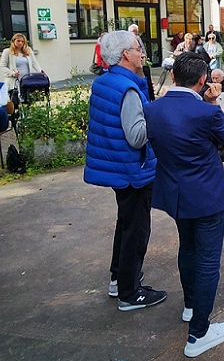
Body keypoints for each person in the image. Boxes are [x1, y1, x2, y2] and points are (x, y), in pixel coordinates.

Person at [145, 52, 224, 358]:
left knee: (187, 248)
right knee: (208, 260)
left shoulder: (153, 108)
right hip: (207, 195)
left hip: (175, 193)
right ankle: (199, 333)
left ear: (173, 77)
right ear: (202, 81)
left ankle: (190, 306)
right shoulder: (206, 112)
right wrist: (213, 104)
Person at [82, 30, 166, 311]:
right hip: (134, 170)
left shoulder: (107, 82)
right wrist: (159, 115)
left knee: (126, 224)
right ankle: (130, 294)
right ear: (125, 55)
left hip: (120, 168)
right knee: (136, 231)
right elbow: (137, 136)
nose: (143, 52)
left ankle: (119, 278)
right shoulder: (127, 88)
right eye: (137, 48)